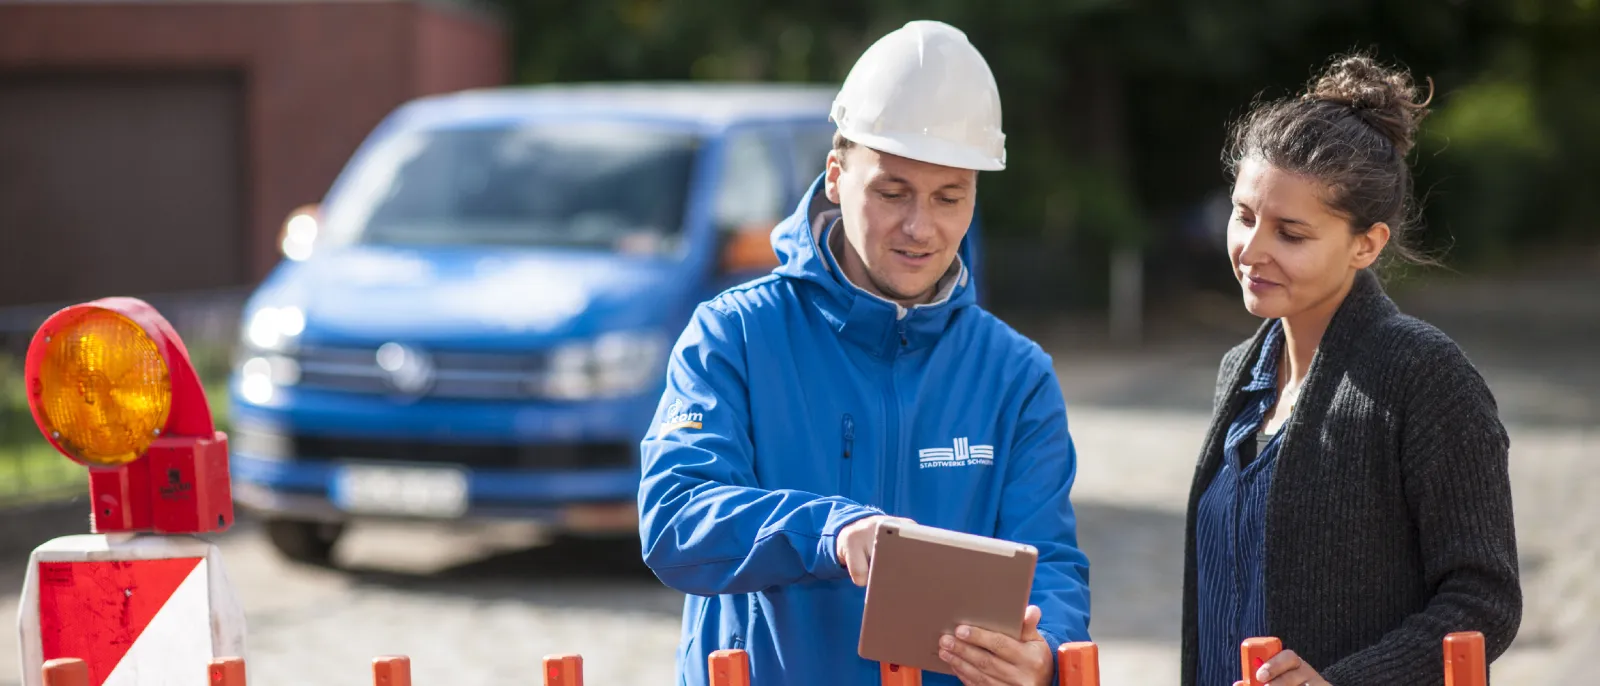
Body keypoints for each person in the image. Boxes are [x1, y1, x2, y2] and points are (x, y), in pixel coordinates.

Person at [637, 19, 1091, 686]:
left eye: (948, 197)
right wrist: (831, 533)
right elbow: (676, 518)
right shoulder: (733, 334)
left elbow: (1047, 562)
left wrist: (1043, 648)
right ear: (836, 175)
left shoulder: (1016, 375)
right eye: (892, 191)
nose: (920, 227)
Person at [1179, 53, 1522, 686]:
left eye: (1291, 233)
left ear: (1366, 244)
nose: (1252, 250)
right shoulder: (1240, 372)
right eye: (1245, 215)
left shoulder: (1425, 375)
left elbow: (1484, 599)